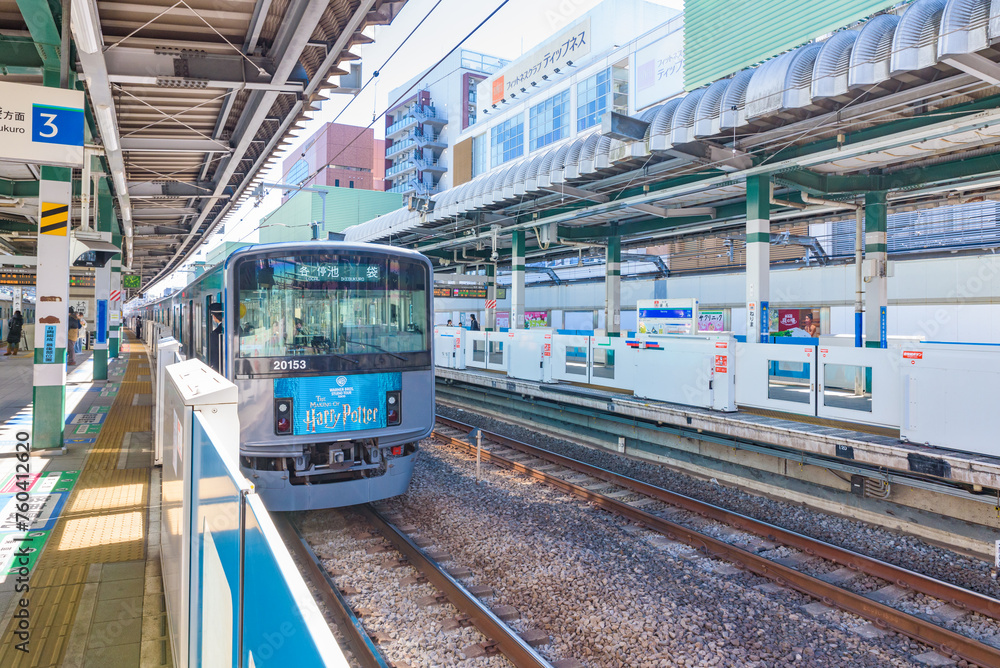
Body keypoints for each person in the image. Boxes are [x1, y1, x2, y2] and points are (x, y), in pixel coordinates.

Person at [207, 303, 224, 373]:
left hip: (220, 369)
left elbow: (215, 356)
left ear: (215, 316)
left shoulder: (215, 333)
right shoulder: (238, 328)